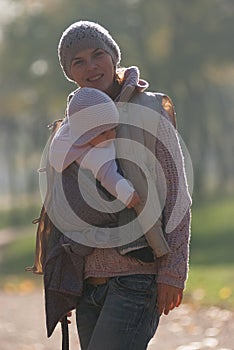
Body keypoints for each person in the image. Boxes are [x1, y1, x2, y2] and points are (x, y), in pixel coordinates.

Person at [30, 20, 192, 350]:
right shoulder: (69, 128)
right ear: (70, 72)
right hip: (88, 283)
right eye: (78, 61)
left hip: (137, 278)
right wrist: (65, 282)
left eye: (98, 54)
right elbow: (62, 206)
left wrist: (173, 273)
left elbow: (177, 194)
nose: (91, 66)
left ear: (114, 57)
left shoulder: (148, 111)